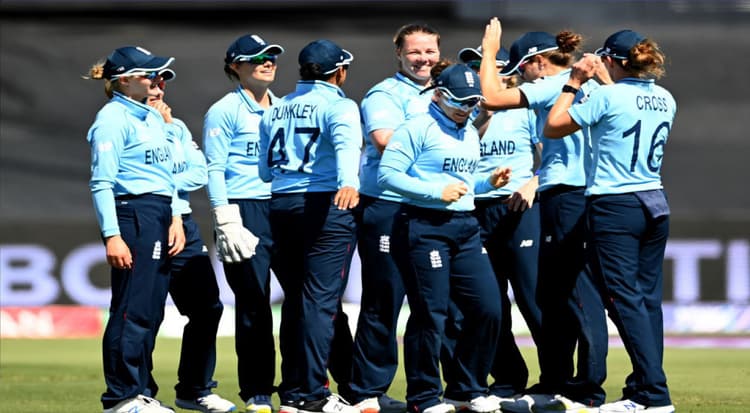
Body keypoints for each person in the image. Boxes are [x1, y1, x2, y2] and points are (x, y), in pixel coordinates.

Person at [544, 29, 676, 413]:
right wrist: (606, 80)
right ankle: (642, 389)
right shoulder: (665, 97)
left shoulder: (606, 96)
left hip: (615, 205)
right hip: (655, 202)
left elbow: (554, 125)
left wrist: (573, 82)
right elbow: (625, 102)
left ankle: (653, 395)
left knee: (624, 300)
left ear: (611, 60)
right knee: (647, 302)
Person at [480, 18, 608, 413]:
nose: (521, 78)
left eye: (522, 70)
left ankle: (586, 390)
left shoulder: (556, 83)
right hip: (574, 192)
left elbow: (491, 97)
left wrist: (490, 50)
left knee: (578, 294)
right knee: (555, 295)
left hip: (570, 194)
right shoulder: (589, 83)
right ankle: (556, 383)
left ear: (537, 62)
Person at [377, 63, 511, 413]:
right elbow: (387, 175)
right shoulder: (417, 127)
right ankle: (423, 397)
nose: (466, 108)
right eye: (459, 101)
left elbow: (463, 186)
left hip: (465, 227)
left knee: (488, 308)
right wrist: (435, 192)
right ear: (438, 94)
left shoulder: (468, 131)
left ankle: (466, 389)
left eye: (472, 102)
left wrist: (488, 183)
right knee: (430, 313)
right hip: (424, 226)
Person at [257, 39, 362, 413]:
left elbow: (264, 171)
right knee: (320, 301)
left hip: (281, 204)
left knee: (298, 301)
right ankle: (311, 394)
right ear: (339, 72)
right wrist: (349, 182)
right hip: (325, 203)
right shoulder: (339, 105)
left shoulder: (275, 108)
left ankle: (292, 392)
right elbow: (347, 146)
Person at [85, 45, 185, 413]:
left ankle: (140, 391)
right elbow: (101, 183)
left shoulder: (151, 117)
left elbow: (167, 175)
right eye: (149, 74)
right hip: (133, 213)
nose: (157, 79)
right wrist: (112, 235)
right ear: (124, 80)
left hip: (158, 212)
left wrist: (175, 216)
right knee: (130, 308)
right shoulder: (112, 119)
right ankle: (121, 396)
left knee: (149, 310)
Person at [351, 22, 440, 413]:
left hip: (432, 206)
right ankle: (367, 392)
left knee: (431, 304)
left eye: (430, 51)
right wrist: (440, 148)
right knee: (383, 300)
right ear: (399, 54)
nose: (423, 59)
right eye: (415, 51)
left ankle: (426, 394)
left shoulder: (447, 92)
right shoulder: (384, 94)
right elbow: (385, 142)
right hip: (388, 205)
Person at [203, 33, 283, 413]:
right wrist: (224, 216)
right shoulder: (225, 110)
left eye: (271, 57)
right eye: (257, 58)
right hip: (244, 210)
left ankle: (305, 386)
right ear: (236, 66)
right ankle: (257, 390)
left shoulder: (285, 108)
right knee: (254, 303)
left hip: (285, 206)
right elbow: (214, 168)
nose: (267, 63)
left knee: (307, 299)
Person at [460, 46, 545, 403]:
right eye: (474, 67)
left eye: (486, 67)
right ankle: (508, 379)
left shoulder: (526, 107)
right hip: (476, 210)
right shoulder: (462, 112)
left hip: (519, 209)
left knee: (533, 297)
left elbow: (553, 159)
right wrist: (483, 113)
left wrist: (533, 183)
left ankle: (556, 379)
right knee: (488, 303)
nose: (478, 73)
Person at [148, 79, 236, 413]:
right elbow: (146, 176)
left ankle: (194, 389)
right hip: (148, 219)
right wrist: (169, 185)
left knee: (207, 308)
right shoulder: (123, 123)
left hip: (183, 222)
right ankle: (138, 393)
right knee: (146, 313)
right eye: (152, 85)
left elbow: (199, 173)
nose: (159, 93)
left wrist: (169, 129)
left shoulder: (177, 126)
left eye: (161, 86)